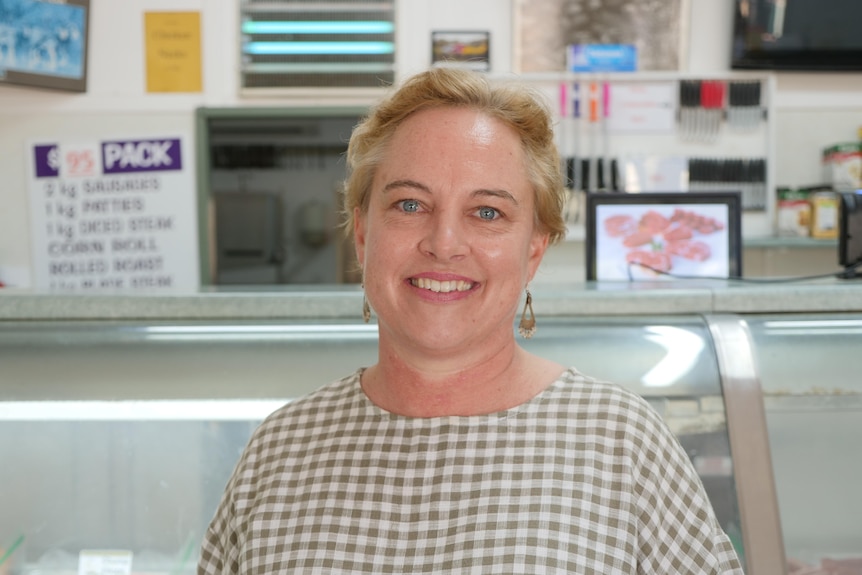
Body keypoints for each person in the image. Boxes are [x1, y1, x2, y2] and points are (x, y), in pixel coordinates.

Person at [197, 67, 744, 574]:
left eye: (487, 213)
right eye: (410, 204)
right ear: (363, 234)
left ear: (533, 249)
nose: (444, 244)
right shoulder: (280, 450)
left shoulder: (622, 444)